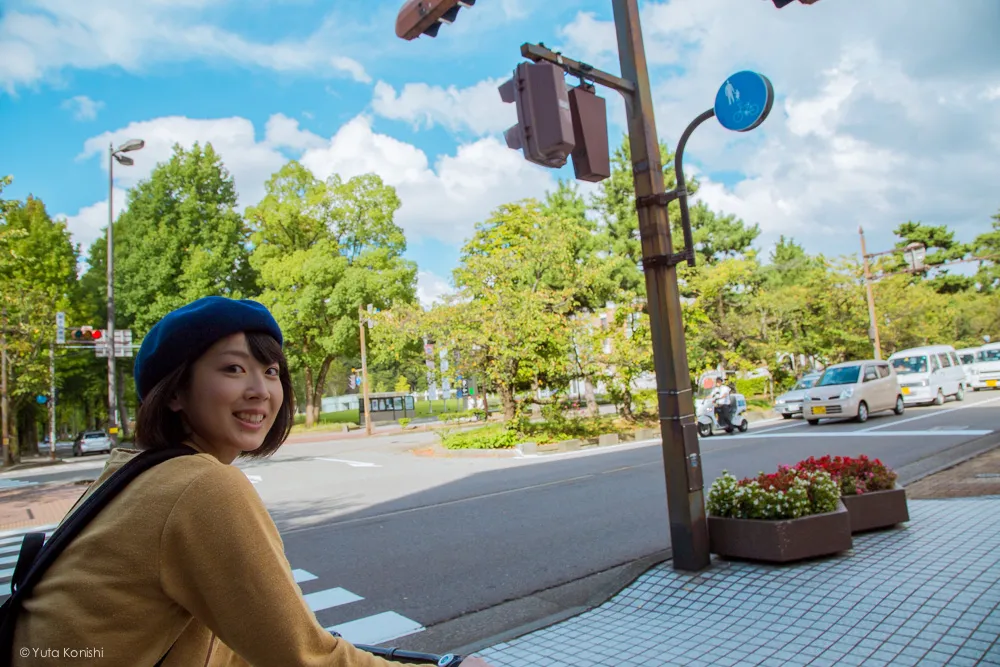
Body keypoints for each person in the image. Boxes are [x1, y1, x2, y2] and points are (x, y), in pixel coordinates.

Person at [11, 297, 492, 667]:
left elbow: (232, 647)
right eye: (233, 368)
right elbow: (301, 659)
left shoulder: (135, 472)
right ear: (175, 391)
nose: (260, 390)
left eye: (270, 371)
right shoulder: (197, 486)